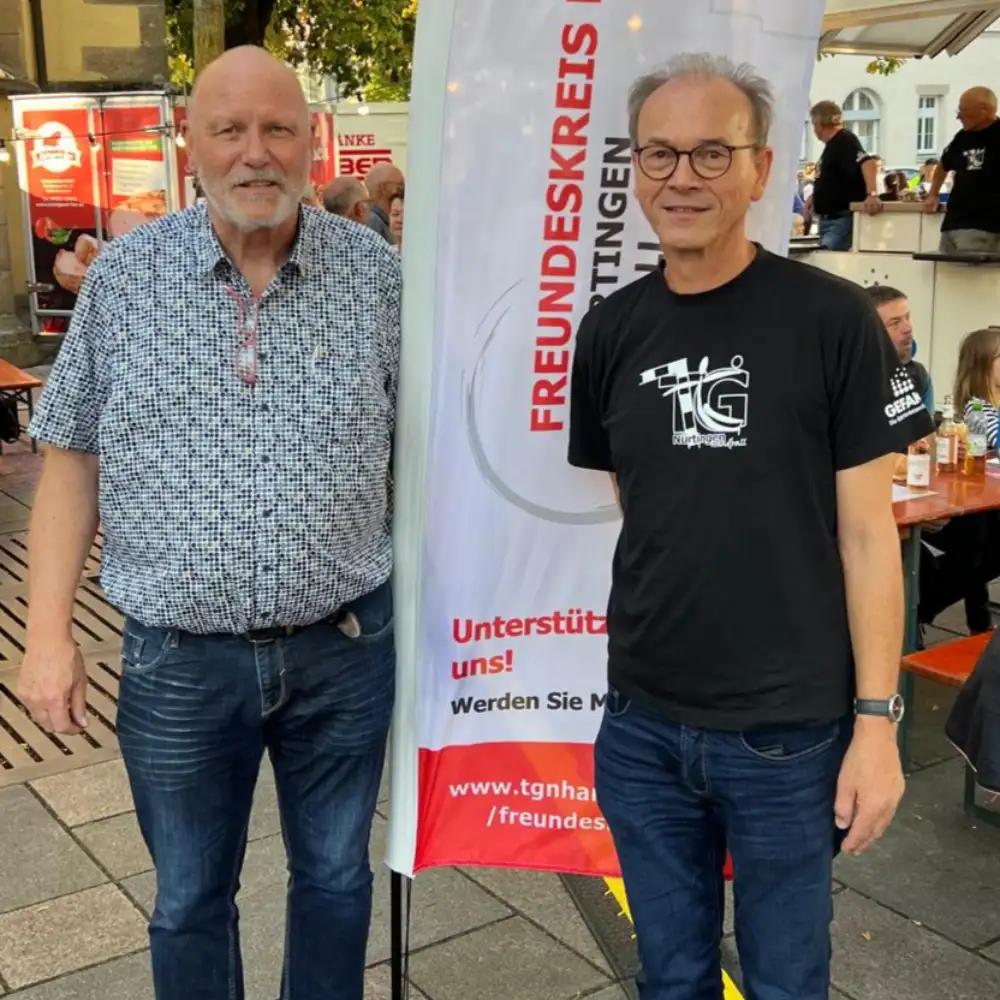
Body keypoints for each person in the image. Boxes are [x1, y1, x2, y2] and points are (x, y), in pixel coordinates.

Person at [17, 45, 401, 1000]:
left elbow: (431, 449)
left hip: (345, 651)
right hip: (177, 664)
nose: (255, 153)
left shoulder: (380, 277)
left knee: (336, 879)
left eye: (277, 128)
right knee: (188, 897)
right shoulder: (125, 279)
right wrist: (46, 637)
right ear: (192, 145)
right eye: (229, 130)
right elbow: (68, 459)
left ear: (312, 142)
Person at [568, 53, 932, 1000]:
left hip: (791, 733)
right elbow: (638, 499)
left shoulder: (833, 320)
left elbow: (867, 537)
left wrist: (877, 724)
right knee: (671, 977)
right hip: (643, 721)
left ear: (763, 169)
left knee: (784, 981)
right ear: (633, 170)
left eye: (711, 154)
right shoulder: (608, 331)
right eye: (659, 154)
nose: (682, 177)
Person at [918, 327, 1000, 635]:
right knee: (973, 556)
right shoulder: (977, 406)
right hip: (968, 495)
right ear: (982, 365)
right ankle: (923, 608)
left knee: (984, 556)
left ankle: (974, 623)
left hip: (987, 494)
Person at [924, 87, 1000, 254]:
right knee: (945, 275)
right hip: (953, 222)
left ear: (985, 110)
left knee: (971, 277)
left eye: (964, 111)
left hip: (984, 225)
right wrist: (933, 193)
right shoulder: (961, 137)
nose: (958, 116)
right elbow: (944, 165)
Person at [808, 99, 881, 250]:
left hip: (840, 218)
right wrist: (814, 197)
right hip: (829, 218)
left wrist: (872, 194)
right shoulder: (834, 144)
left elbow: (867, 162)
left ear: (819, 123)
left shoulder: (845, 140)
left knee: (826, 259)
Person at [867, 285, 933, 413]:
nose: (908, 328)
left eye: (907, 317)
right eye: (895, 322)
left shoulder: (919, 376)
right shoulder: (843, 382)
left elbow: (925, 431)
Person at [363, 162, 405, 244]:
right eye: (400, 186)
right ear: (383, 188)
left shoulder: (381, 219)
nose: (403, 190)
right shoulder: (373, 222)